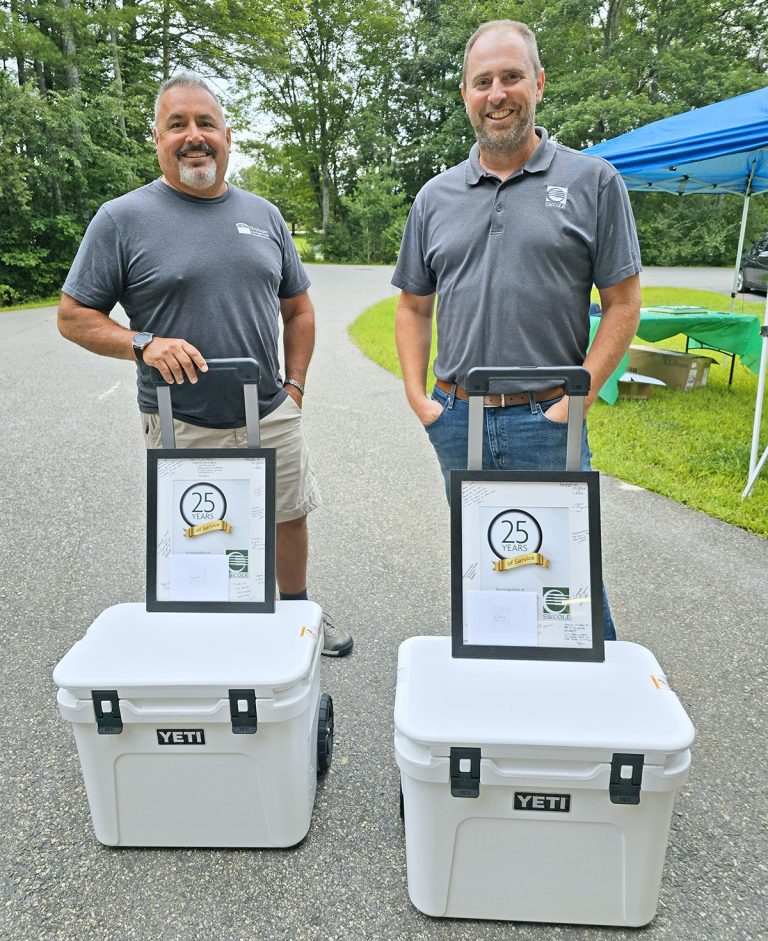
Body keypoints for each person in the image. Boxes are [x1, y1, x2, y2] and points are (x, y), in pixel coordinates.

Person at [58, 71, 352, 656]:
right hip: (180, 417)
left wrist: (294, 386)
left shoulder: (264, 215)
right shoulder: (122, 219)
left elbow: (299, 310)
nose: (194, 136)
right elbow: (73, 316)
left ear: (227, 135)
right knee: (200, 529)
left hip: (269, 409)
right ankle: (209, 637)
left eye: (205, 123)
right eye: (177, 125)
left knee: (287, 515)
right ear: (158, 138)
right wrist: (142, 343)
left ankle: (297, 619)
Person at [392, 20, 642, 640]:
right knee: (488, 571)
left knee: (569, 582)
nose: (497, 93)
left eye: (510, 77)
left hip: (548, 418)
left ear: (538, 82)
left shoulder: (593, 182)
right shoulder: (435, 197)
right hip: (457, 416)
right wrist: (419, 399)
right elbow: (414, 307)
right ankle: (498, 709)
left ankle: (592, 716)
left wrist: (575, 397)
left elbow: (622, 304)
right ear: (465, 94)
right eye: (483, 81)